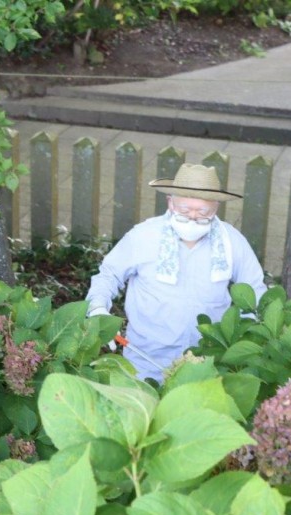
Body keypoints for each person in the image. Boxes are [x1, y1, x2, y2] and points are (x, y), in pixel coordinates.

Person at [85, 163, 266, 383]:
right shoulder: (143, 236)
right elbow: (109, 275)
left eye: (202, 212)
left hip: (207, 363)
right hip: (144, 361)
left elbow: (255, 291)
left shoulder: (232, 241)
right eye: (184, 210)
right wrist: (97, 307)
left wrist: (246, 339)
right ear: (170, 202)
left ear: (216, 207)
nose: (192, 218)